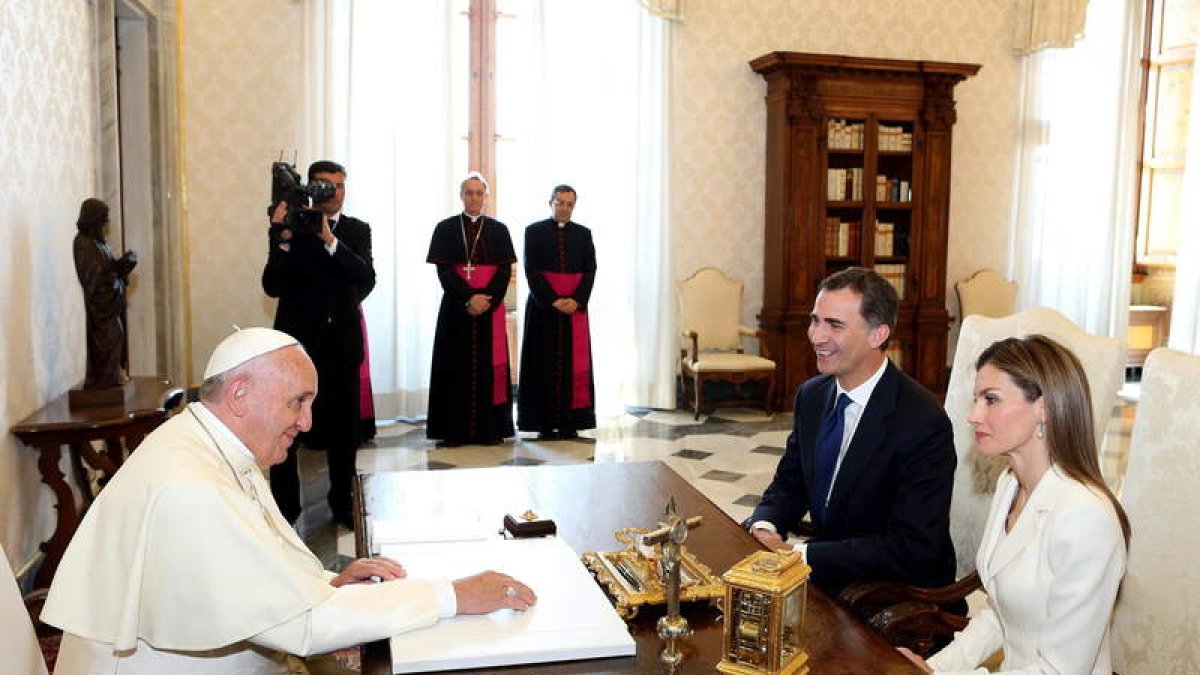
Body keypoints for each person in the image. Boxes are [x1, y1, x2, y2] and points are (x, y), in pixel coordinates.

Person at [41, 328, 536, 674]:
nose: (307, 422)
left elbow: (251, 572)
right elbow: (302, 626)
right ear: (239, 394)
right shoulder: (191, 485)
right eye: (297, 401)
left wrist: (325, 582)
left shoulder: (212, 445)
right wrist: (451, 595)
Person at [898, 335, 1130, 675]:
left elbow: (1062, 670)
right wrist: (935, 668)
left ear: (1045, 407)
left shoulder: (1086, 517)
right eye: (976, 399)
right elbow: (1000, 612)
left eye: (991, 399)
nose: (973, 415)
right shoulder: (1009, 484)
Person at [745, 267, 958, 597]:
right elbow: (791, 483)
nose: (817, 336)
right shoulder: (812, 396)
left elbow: (913, 549)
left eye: (835, 325)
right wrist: (765, 526)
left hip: (895, 593)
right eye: (816, 320)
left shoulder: (922, 421)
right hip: (833, 575)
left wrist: (801, 555)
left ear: (878, 335)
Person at [262, 160, 374, 529]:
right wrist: (279, 237)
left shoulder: (357, 231)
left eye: (339, 186)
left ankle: (343, 503)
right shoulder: (294, 226)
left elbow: (366, 279)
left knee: (344, 433)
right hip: (298, 346)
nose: (332, 192)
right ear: (310, 187)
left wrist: (331, 242)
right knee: (287, 430)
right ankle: (285, 508)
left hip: (341, 343)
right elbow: (273, 285)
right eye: (324, 185)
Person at [426, 172, 517, 447]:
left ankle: (490, 429)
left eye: (479, 193)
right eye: (469, 192)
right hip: (456, 309)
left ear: (486, 197)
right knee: (454, 368)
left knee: (490, 369)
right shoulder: (445, 228)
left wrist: (487, 299)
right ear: (461, 195)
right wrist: (469, 298)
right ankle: (453, 430)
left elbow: (504, 271)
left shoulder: (499, 230)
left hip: (489, 310)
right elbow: (444, 271)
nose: (474, 198)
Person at [517, 185, 597, 440]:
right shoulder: (533, 231)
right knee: (542, 364)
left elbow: (590, 269)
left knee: (573, 367)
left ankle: (570, 423)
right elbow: (532, 270)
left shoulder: (584, 234)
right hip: (543, 310)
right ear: (550, 202)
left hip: (575, 310)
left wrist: (577, 300)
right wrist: (553, 300)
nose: (564, 208)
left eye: (569, 204)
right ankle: (543, 422)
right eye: (559, 202)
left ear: (574, 206)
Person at [73, 198, 137, 389]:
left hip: (111, 305)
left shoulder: (101, 244)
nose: (106, 223)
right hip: (101, 309)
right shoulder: (83, 243)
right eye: (103, 219)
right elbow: (92, 279)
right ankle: (103, 380)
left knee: (117, 337)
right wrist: (117, 271)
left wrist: (123, 266)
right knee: (110, 338)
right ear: (93, 219)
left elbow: (109, 269)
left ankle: (111, 377)